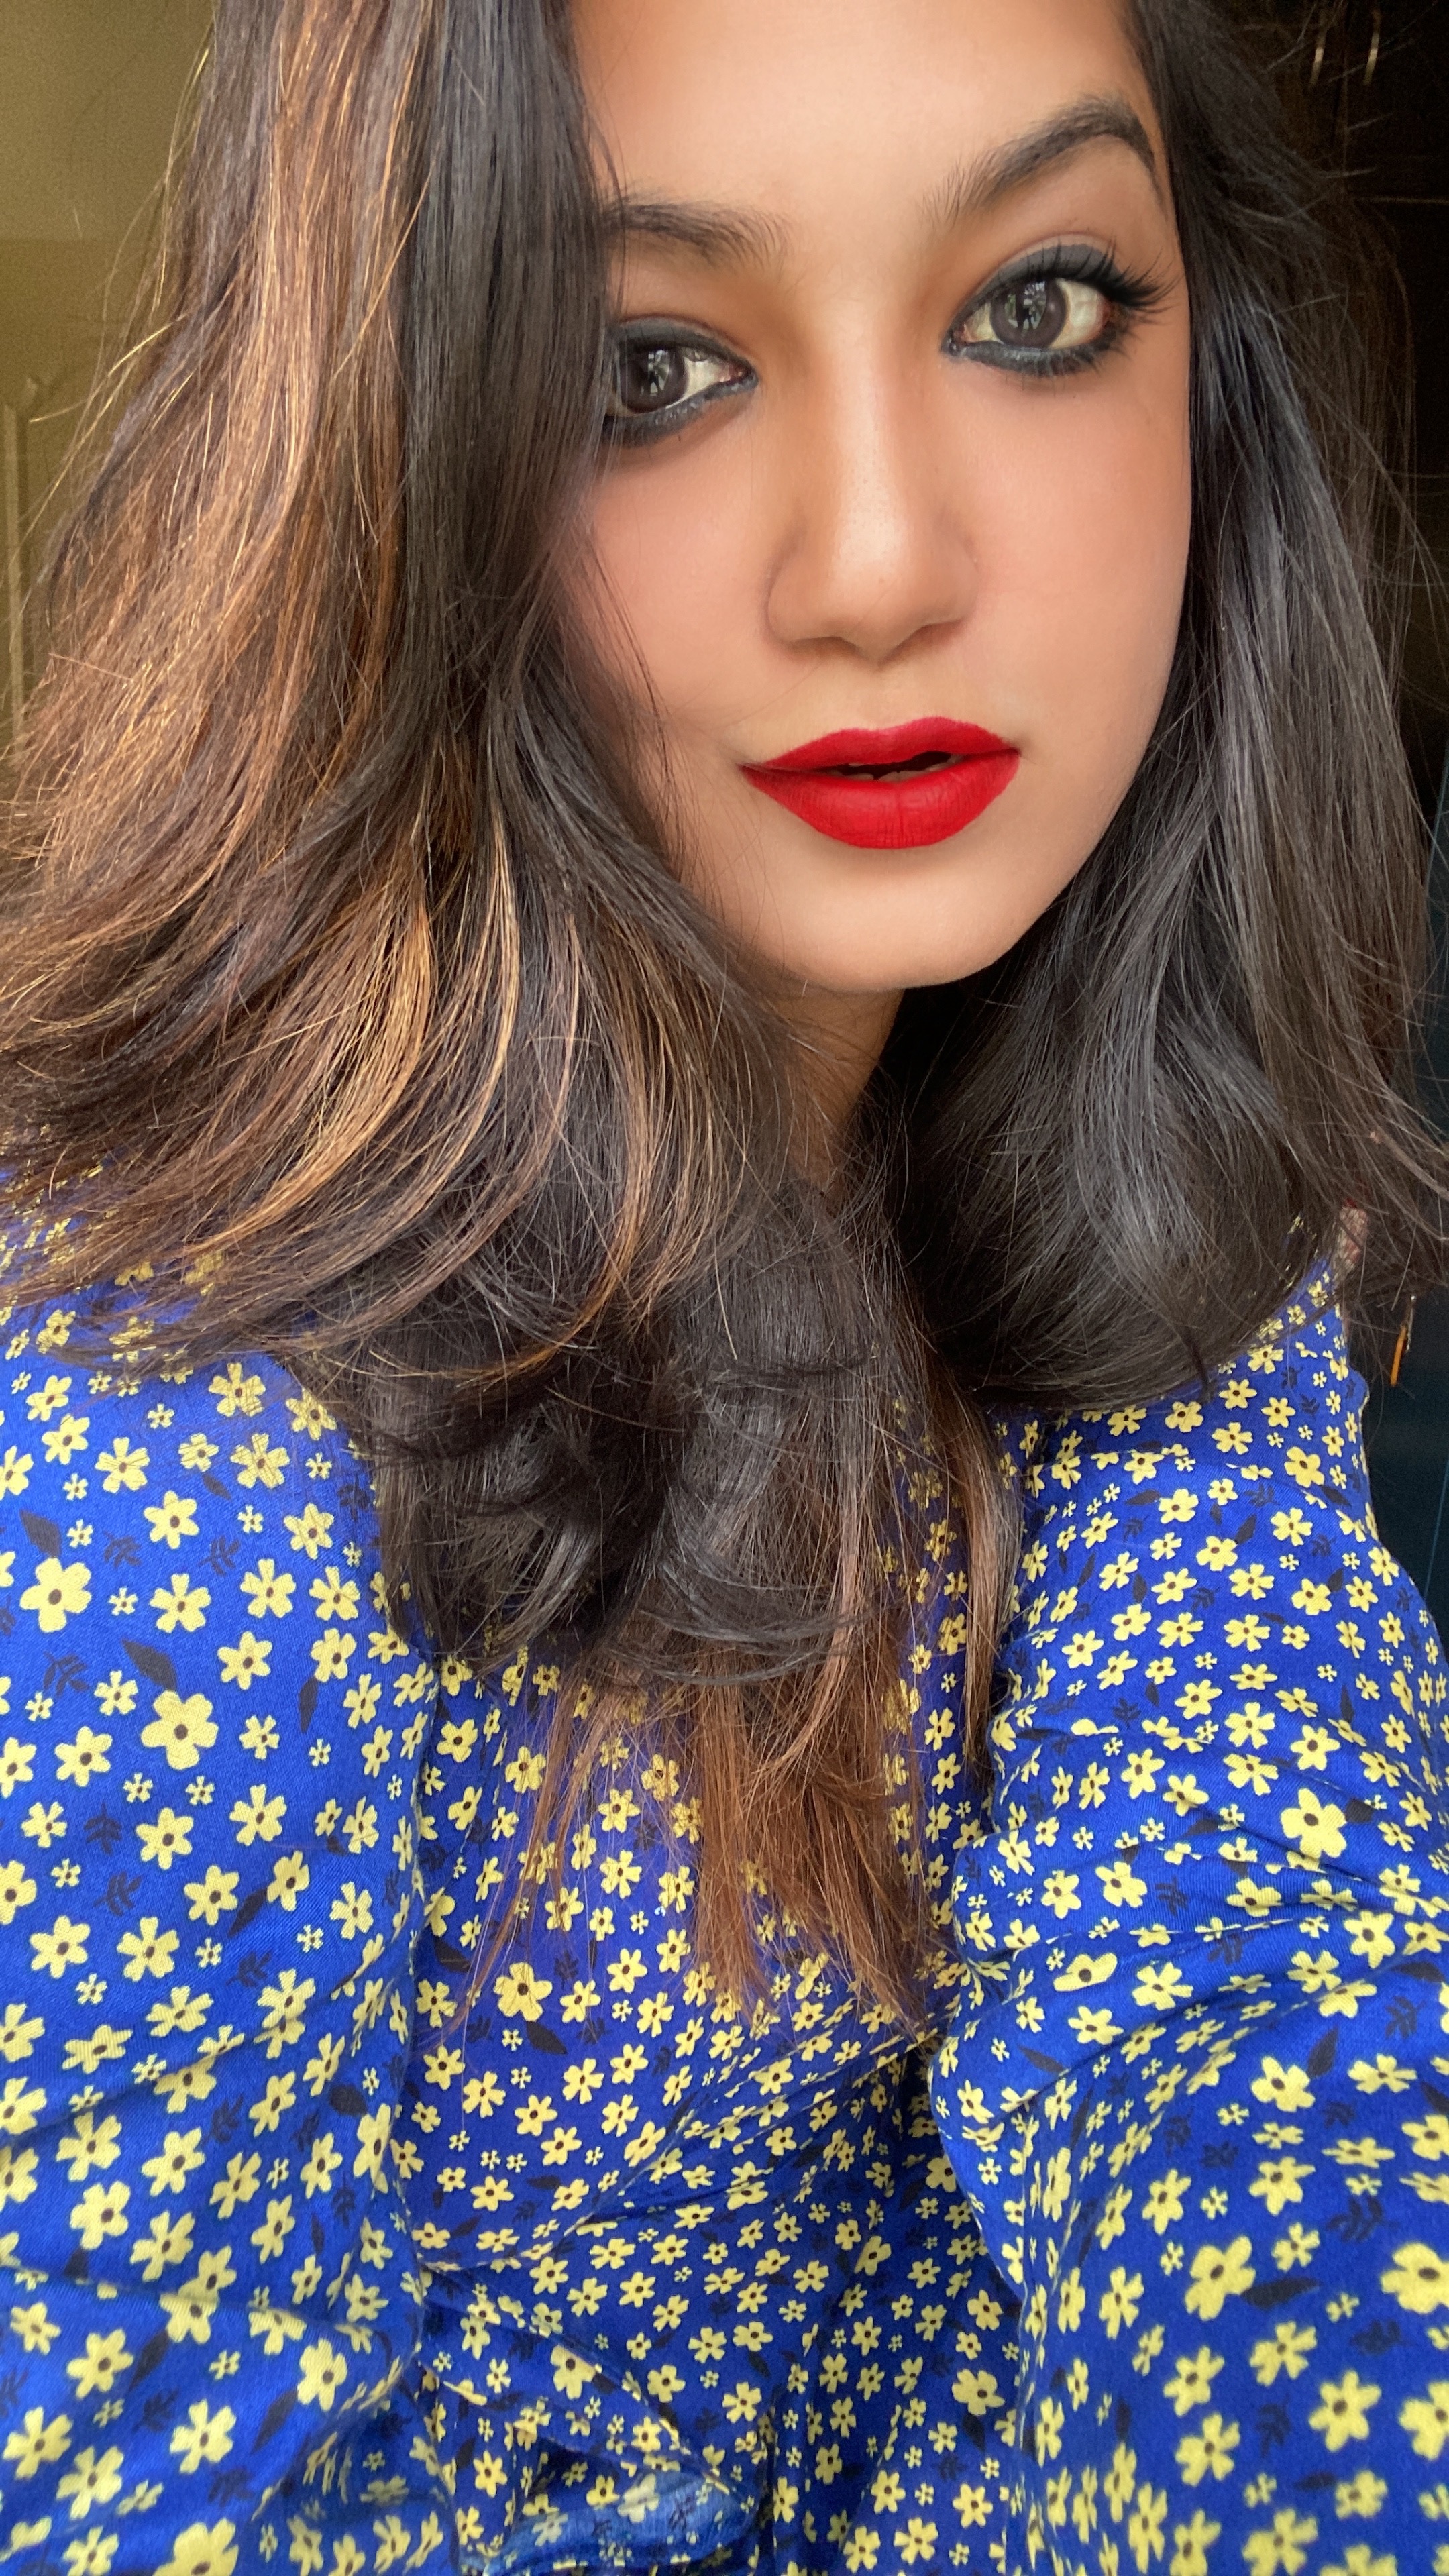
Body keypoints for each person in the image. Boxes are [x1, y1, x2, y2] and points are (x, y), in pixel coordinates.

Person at [0, 0, 1443, 2569]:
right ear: (392, 458)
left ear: (1211, 366)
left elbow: (1247, 2004)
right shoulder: (141, 1395)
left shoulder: (1173, 1205)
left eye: (1034, 309)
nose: (883, 563)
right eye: (647, 370)